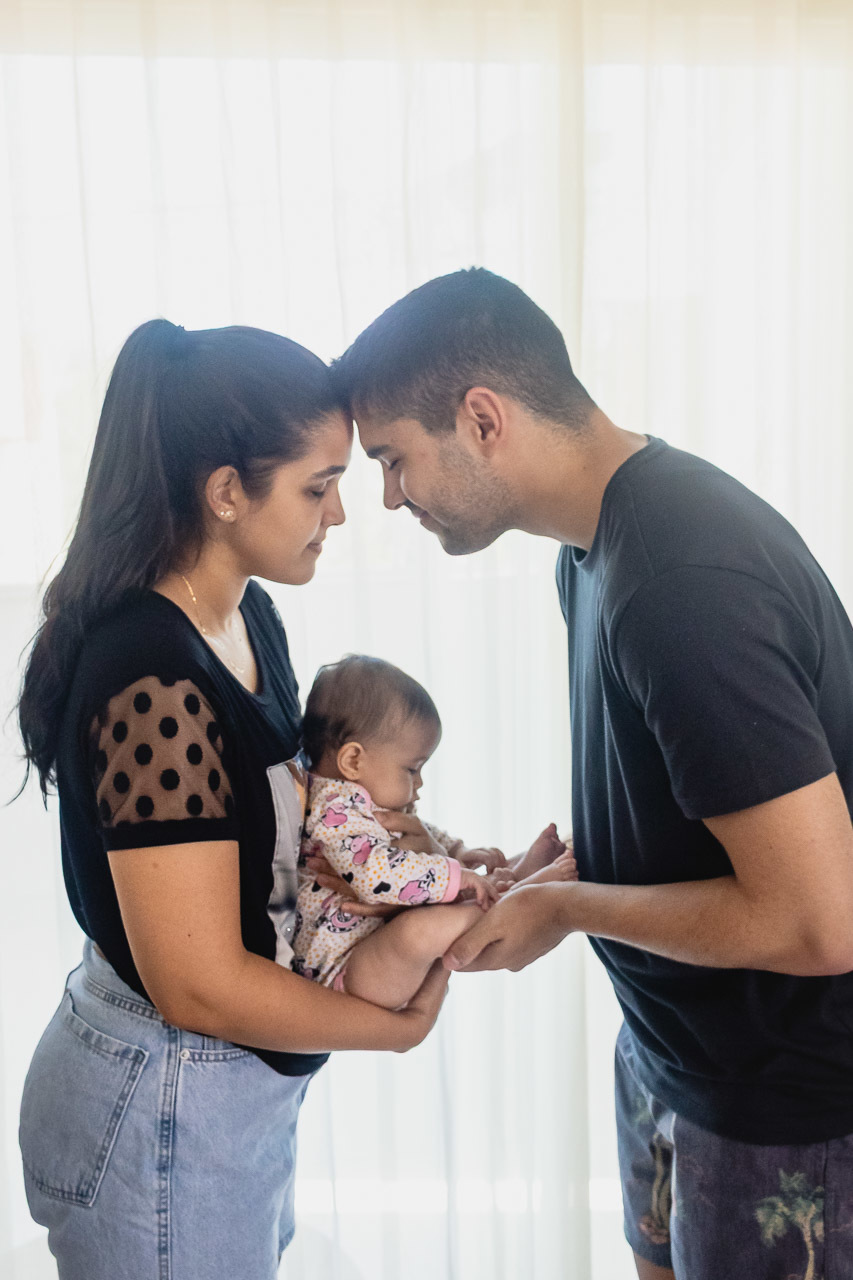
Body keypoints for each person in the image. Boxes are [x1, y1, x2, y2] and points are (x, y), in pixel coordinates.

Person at [330, 268, 853, 1280]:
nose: (387, 496)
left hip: (780, 1100)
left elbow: (821, 918)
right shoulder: (589, 551)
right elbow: (680, 798)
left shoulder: (680, 578)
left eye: (393, 458)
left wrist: (568, 908)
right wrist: (541, 871)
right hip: (670, 1053)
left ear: (481, 417)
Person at [15, 320, 450, 1280]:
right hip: (161, 1094)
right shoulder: (153, 685)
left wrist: (432, 870)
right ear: (224, 493)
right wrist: (391, 1028)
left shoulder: (248, 612)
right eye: (317, 485)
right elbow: (199, 984)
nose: (338, 514)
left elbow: (294, 832)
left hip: (215, 1094)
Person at [292, 653, 576, 1007]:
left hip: (373, 944)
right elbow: (376, 873)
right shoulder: (332, 810)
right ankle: (520, 894)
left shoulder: (365, 799)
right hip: (343, 973)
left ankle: (514, 880)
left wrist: (456, 852)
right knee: (421, 929)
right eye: (412, 769)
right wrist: (459, 876)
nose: (420, 782)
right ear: (353, 760)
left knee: (443, 899)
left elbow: (413, 830)